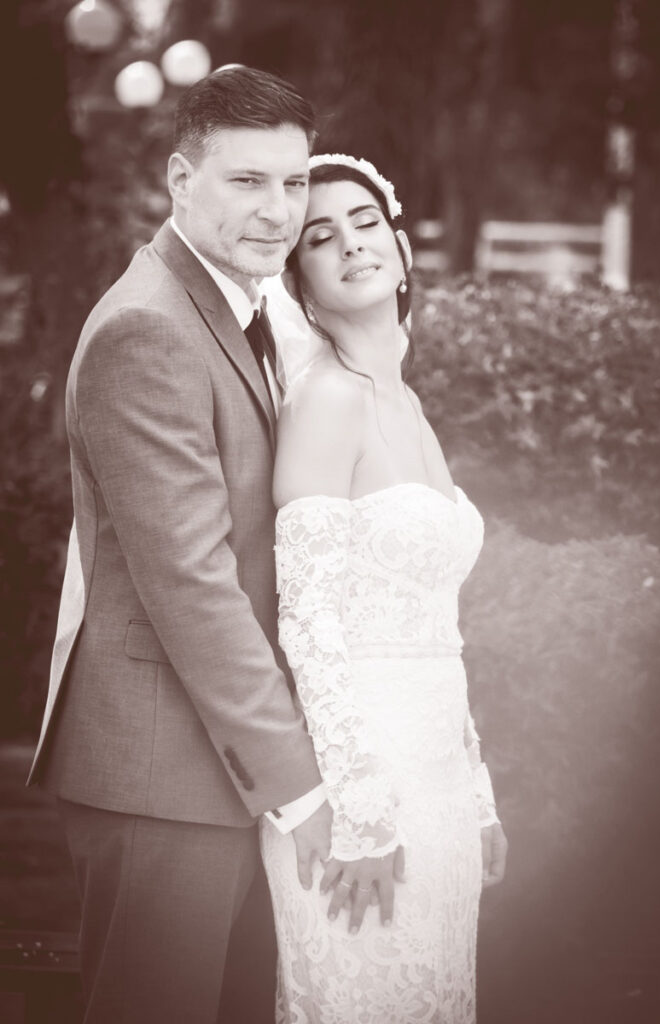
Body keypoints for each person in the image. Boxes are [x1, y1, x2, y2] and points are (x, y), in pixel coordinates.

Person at [27, 67, 340, 1024]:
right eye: (247, 181)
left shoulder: (238, 311)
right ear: (179, 179)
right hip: (162, 778)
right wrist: (298, 787)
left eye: (293, 183)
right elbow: (193, 585)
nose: (278, 211)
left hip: (216, 768)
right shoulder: (148, 328)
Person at [259, 155, 508, 1023]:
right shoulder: (325, 402)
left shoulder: (406, 403)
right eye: (320, 237)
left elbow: (438, 628)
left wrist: (474, 793)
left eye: (366, 223)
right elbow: (307, 621)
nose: (351, 244)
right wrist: (359, 813)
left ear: (401, 252)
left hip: (437, 791)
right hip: (360, 792)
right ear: (301, 287)